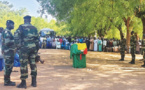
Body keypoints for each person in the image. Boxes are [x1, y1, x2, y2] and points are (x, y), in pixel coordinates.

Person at [14, 15, 39, 88]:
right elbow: (37, 40)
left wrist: (18, 46)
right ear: (30, 20)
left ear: (24, 20)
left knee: (23, 65)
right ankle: (34, 82)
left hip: (24, 48)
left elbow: (16, 36)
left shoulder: (21, 27)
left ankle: (23, 83)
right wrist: (36, 49)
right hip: (33, 48)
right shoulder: (34, 28)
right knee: (33, 64)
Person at [2, 20, 16, 86]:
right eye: (12, 24)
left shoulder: (7, 32)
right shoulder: (7, 32)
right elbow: (7, 42)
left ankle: (7, 80)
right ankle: (7, 82)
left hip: (9, 52)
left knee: (9, 67)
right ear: (8, 25)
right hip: (8, 52)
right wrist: (15, 40)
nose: (13, 26)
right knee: (8, 67)